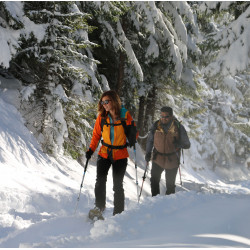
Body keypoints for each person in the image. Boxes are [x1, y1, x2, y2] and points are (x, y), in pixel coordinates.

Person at [85, 90, 136, 217]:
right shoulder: (102, 117)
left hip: (120, 155)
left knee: (117, 185)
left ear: (114, 101)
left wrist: (132, 133)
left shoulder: (125, 115)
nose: (104, 104)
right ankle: (99, 207)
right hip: (104, 153)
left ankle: (118, 213)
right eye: (102, 102)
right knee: (100, 181)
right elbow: (96, 135)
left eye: (106, 101)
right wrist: (91, 150)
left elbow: (134, 134)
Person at [145, 106, 190, 196]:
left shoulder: (178, 127)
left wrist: (178, 144)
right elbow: (150, 140)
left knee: (170, 185)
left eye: (166, 116)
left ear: (171, 116)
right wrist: (148, 153)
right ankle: (155, 201)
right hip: (158, 158)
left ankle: (168, 205)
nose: (163, 118)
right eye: (162, 116)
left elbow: (187, 144)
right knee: (154, 181)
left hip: (172, 159)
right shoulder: (156, 125)